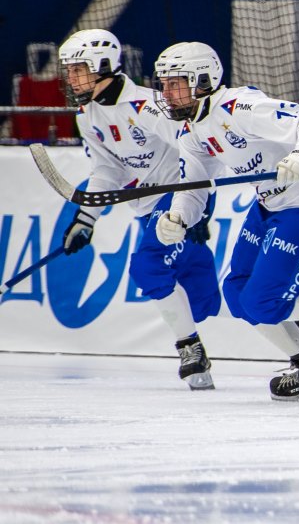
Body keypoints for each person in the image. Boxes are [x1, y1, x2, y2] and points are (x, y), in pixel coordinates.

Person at [152, 42, 299, 401]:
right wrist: (177, 217)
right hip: (267, 207)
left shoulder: (240, 107)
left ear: (203, 79)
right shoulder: (192, 130)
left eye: (176, 83)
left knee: (264, 302)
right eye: (165, 84)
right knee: (237, 296)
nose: (167, 93)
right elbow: (194, 187)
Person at [58, 29, 220, 390]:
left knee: (147, 267)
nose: (70, 77)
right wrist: (86, 220)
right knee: (203, 301)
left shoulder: (149, 105)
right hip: (147, 208)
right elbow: (107, 171)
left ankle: (190, 349)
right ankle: (195, 331)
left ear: (102, 65)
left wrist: (196, 207)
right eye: (68, 70)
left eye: (77, 69)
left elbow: (197, 151)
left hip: (180, 197)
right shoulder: (88, 116)